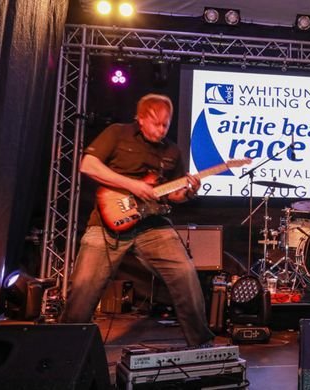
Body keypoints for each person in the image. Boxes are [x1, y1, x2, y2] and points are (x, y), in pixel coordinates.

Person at [60, 94, 214, 347]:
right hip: (107, 223)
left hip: (153, 224)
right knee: (84, 288)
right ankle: (64, 349)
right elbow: (88, 165)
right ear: (140, 118)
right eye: (156, 123)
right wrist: (132, 185)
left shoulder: (172, 151)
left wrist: (189, 191)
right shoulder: (117, 133)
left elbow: (173, 194)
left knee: (185, 274)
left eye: (166, 124)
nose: (161, 129)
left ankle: (202, 346)